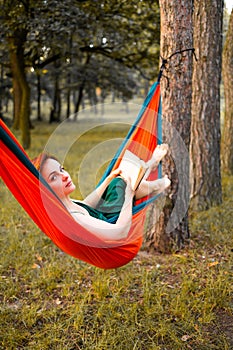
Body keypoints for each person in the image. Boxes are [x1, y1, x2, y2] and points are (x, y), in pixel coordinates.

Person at [32, 144, 170, 241]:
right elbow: (120, 233)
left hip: (103, 214)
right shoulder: (74, 219)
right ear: (44, 190)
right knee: (123, 183)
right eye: (54, 177)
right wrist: (129, 196)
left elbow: (86, 206)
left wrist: (108, 179)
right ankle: (155, 183)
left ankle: (149, 167)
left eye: (61, 169)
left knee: (116, 180)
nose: (65, 176)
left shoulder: (65, 204)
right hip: (115, 222)